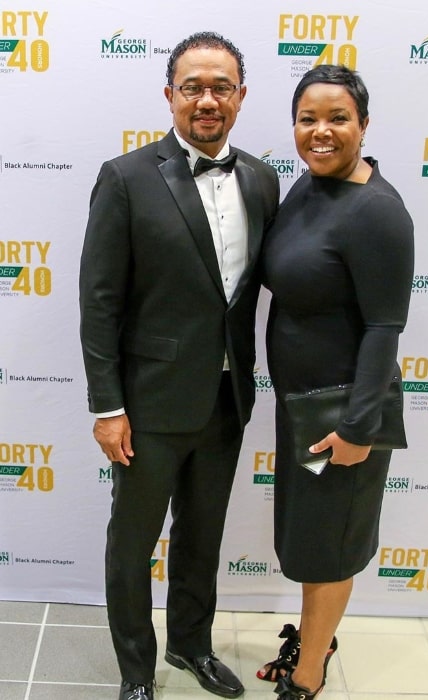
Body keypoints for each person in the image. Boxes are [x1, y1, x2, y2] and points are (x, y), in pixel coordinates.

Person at [79, 31, 279, 700]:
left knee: (201, 539)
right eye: (193, 86)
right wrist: (107, 407)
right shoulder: (126, 177)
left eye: (221, 86)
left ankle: (192, 645)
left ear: (242, 97)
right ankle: (138, 672)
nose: (207, 99)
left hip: (226, 403)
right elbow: (100, 303)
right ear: (169, 95)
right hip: (148, 406)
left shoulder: (262, 178)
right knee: (132, 547)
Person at [257, 64, 414, 699]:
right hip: (302, 406)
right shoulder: (310, 186)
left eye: (338, 118)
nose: (321, 132)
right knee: (311, 538)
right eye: (308, 119)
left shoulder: (376, 211)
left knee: (331, 546)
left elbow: (384, 328)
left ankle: (310, 671)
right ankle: (317, 636)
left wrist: (357, 429)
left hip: (342, 414)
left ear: (364, 125)